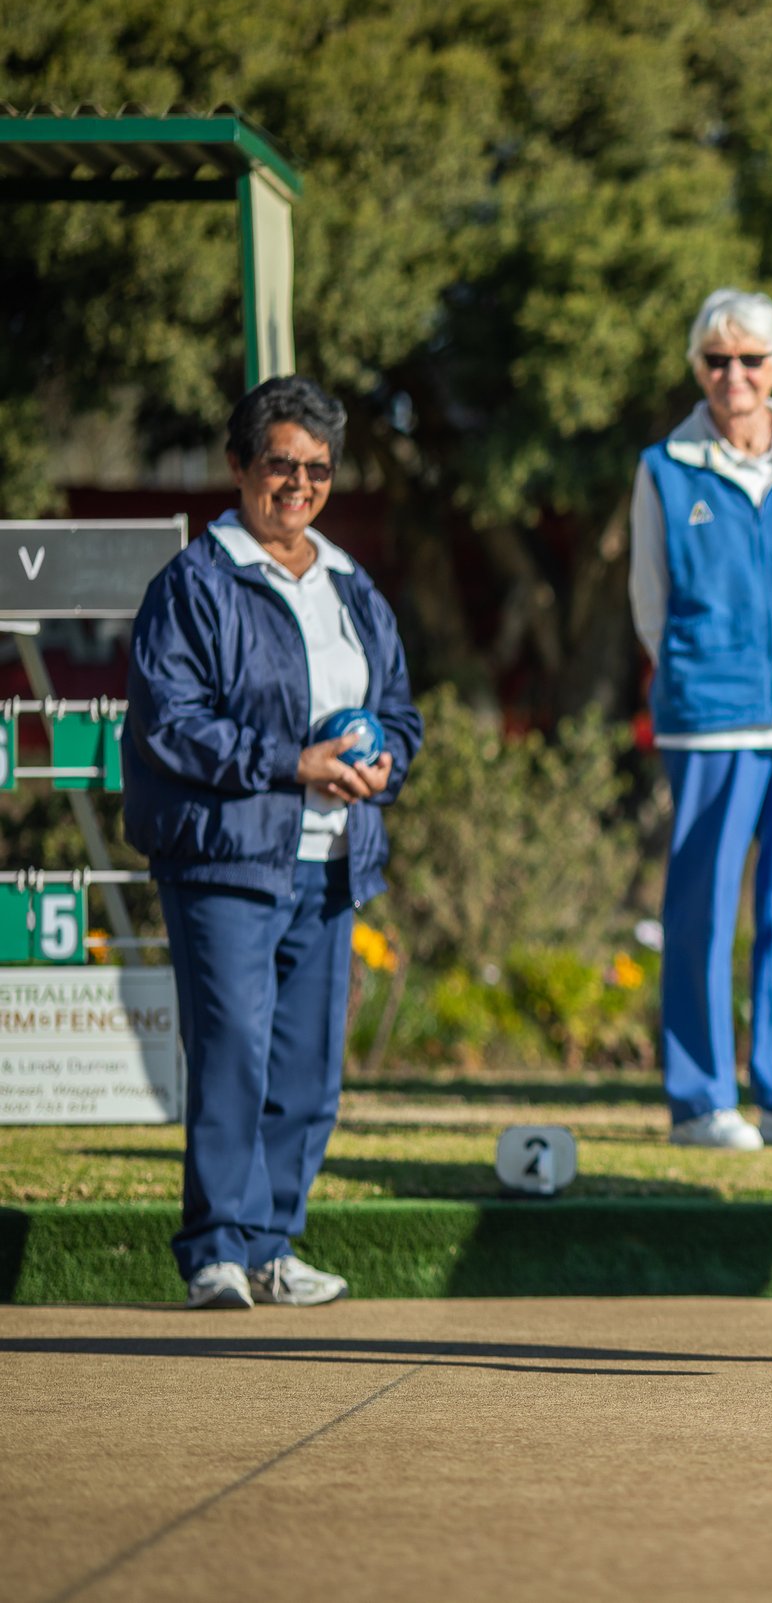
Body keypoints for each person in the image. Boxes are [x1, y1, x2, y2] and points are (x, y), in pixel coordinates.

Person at [124, 375, 424, 1309]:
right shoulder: (195, 583)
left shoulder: (349, 582)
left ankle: (271, 1245)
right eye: (280, 464)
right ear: (239, 465)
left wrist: (382, 768)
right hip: (227, 854)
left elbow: (401, 715)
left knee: (305, 1070)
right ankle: (215, 1247)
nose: (298, 485)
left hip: (331, 859)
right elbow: (171, 723)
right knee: (234, 1053)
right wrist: (293, 761)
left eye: (319, 469)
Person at [628, 289, 772, 1150]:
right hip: (710, 720)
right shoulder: (665, 465)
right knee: (701, 907)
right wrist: (709, 668)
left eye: (751, 359)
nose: (735, 376)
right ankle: (700, 1100)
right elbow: (649, 605)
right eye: (717, 360)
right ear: (698, 368)